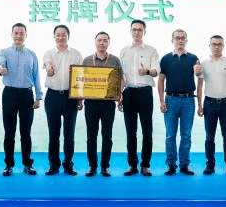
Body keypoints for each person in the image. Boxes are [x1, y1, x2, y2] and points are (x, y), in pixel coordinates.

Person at [0, 23, 42, 176]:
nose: (18, 36)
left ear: (26, 35)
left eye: (21, 33)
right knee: (9, 132)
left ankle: (27, 164)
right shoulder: (4, 52)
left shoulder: (32, 55)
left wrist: (38, 96)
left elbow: (36, 76)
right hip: (9, 94)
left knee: (26, 132)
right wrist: (0, 70)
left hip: (26, 95)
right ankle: (8, 165)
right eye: (15, 33)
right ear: (11, 35)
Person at [119, 20, 159, 177]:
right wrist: (120, 94)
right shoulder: (124, 51)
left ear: (144, 32)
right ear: (130, 31)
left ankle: (145, 165)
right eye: (134, 29)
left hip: (145, 93)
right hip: (128, 93)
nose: (137, 32)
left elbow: (156, 71)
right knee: (131, 131)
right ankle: (132, 165)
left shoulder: (151, 50)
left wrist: (147, 71)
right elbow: (121, 76)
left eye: (140, 30)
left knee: (147, 130)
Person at [196, 35, 226, 176]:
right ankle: (210, 165)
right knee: (209, 137)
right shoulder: (204, 63)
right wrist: (199, 105)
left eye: (219, 44)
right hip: (209, 103)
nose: (216, 47)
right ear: (209, 46)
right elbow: (200, 86)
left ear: (223, 46)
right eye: (214, 44)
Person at [43, 25, 83, 176]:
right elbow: (47, 64)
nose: (60, 37)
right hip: (52, 96)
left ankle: (68, 164)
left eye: (63, 34)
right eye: (58, 35)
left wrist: (80, 99)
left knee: (69, 133)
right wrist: (49, 69)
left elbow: (80, 78)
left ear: (68, 36)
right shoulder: (49, 53)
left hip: (70, 97)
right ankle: (54, 165)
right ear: (54, 37)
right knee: (53, 133)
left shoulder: (76, 54)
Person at [158, 29, 199, 176]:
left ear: (186, 41)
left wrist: (198, 71)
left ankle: (184, 165)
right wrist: (161, 101)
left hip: (188, 100)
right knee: (170, 135)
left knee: (186, 135)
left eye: (182, 38)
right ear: (172, 41)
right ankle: (171, 165)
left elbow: (199, 76)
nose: (180, 40)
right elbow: (161, 80)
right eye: (177, 38)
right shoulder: (165, 59)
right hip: (171, 100)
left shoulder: (193, 58)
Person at [83, 31, 123, 177]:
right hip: (91, 103)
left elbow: (120, 79)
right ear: (95, 42)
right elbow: (81, 81)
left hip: (108, 103)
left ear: (108, 43)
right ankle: (92, 166)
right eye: (99, 40)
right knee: (91, 136)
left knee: (107, 136)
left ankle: (105, 166)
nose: (102, 43)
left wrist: (120, 94)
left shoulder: (115, 60)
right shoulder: (87, 60)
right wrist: (80, 99)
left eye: (105, 40)